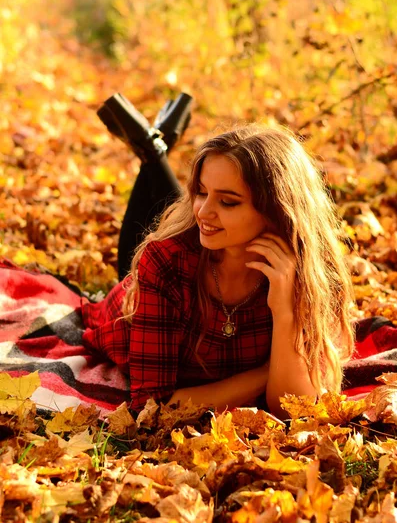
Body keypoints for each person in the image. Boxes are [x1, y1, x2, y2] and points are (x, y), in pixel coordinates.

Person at [82, 98, 355, 419]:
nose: (203, 210)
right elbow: (151, 409)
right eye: (200, 191)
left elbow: (294, 408)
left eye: (228, 201)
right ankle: (152, 153)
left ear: (276, 211)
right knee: (147, 238)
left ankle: (154, 149)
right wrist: (265, 373)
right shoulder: (164, 260)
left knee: (188, 221)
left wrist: (285, 313)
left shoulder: (306, 269)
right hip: (131, 306)